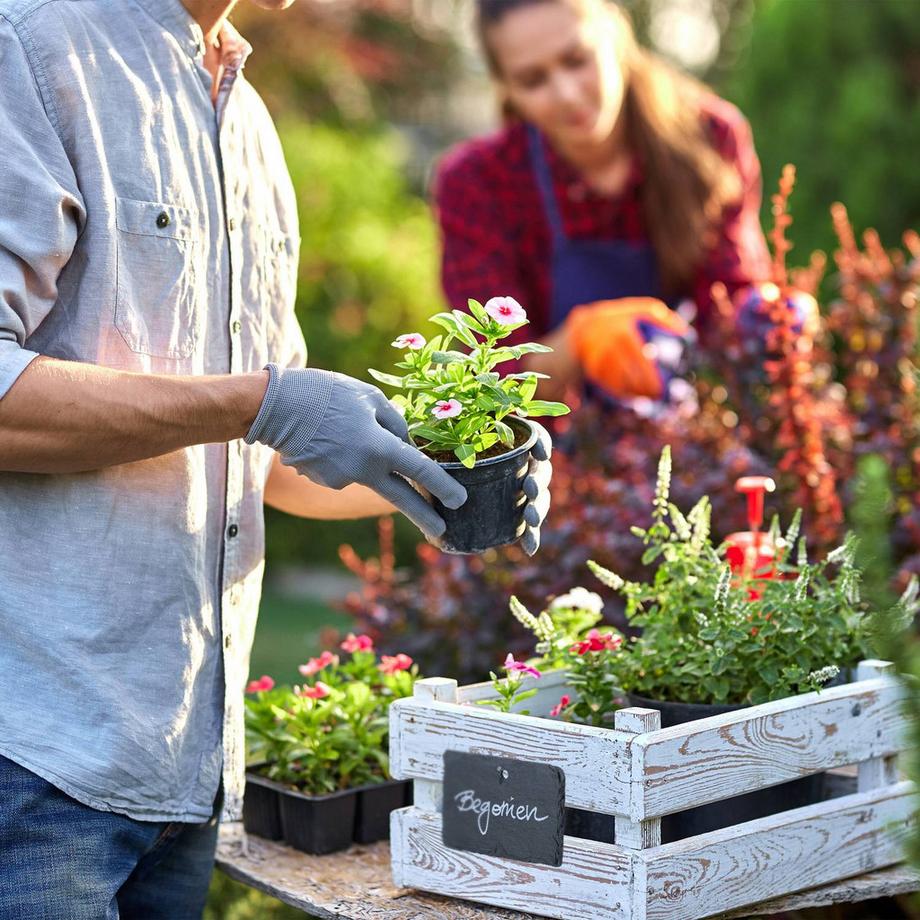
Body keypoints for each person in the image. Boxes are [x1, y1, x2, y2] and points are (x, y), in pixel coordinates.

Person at [0, 0, 551, 915]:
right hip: (32, 764)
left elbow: (268, 463)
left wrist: (446, 478)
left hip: (182, 772)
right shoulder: (30, 50)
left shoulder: (246, 121)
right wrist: (260, 403)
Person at [434, 0, 773, 405]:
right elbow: (494, 379)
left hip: (691, 415)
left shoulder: (709, 138)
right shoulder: (476, 183)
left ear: (616, 35)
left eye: (577, 60)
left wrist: (770, 319)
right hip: (556, 436)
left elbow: (729, 306)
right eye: (532, 80)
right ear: (506, 88)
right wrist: (577, 342)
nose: (567, 94)